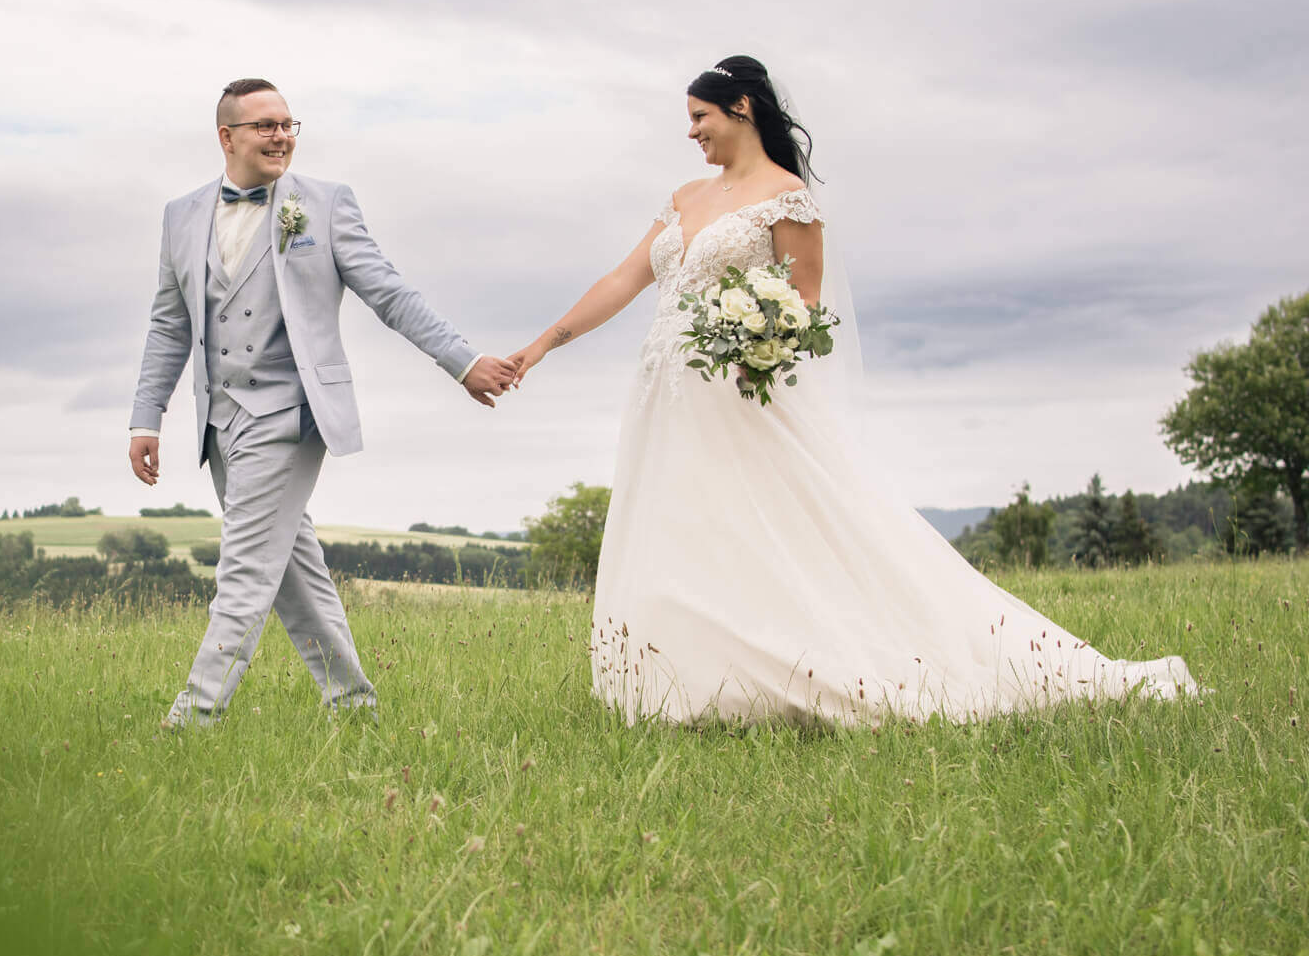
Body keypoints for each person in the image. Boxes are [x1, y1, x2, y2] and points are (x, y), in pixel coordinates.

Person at [507, 56, 1198, 724]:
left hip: (735, 391)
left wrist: (754, 348)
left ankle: (806, 668)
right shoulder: (683, 198)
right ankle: (681, 682)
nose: (691, 132)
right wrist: (542, 344)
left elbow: (803, 305)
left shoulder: (788, 198)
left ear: (741, 107)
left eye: (700, 116)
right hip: (663, 388)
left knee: (760, 528)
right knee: (678, 524)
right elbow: (625, 280)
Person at [128, 78, 516, 728]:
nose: (282, 135)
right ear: (227, 137)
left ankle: (191, 719)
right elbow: (170, 325)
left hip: (289, 415)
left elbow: (390, 294)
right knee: (290, 568)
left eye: (288, 123)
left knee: (245, 568)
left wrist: (463, 361)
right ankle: (353, 702)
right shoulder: (181, 214)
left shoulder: (326, 206)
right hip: (221, 421)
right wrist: (148, 415)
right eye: (265, 125)